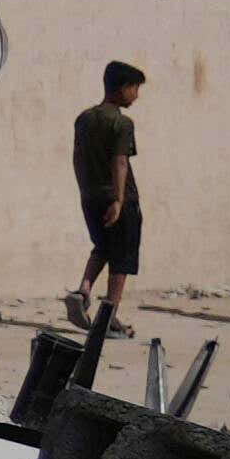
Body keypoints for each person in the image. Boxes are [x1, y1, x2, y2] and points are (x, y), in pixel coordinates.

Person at [70, 60, 146, 333]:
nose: (137, 95)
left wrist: (84, 191)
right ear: (123, 88)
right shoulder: (121, 123)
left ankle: (82, 291)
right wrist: (118, 200)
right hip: (118, 198)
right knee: (122, 257)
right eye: (135, 88)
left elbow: (77, 158)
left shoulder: (85, 118)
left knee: (102, 247)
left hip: (90, 195)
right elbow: (120, 163)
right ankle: (109, 317)